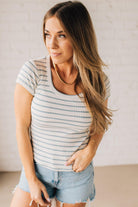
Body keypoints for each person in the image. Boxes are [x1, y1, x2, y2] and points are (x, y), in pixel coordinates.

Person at [10, 1, 112, 207]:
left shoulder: (98, 81)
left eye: (61, 35)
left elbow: (99, 124)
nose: (51, 44)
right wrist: (31, 179)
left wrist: (90, 150)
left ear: (80, 37)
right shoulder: (33, 72)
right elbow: (22, 127)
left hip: (76, 175)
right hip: (37, 169)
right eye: (48, 34)